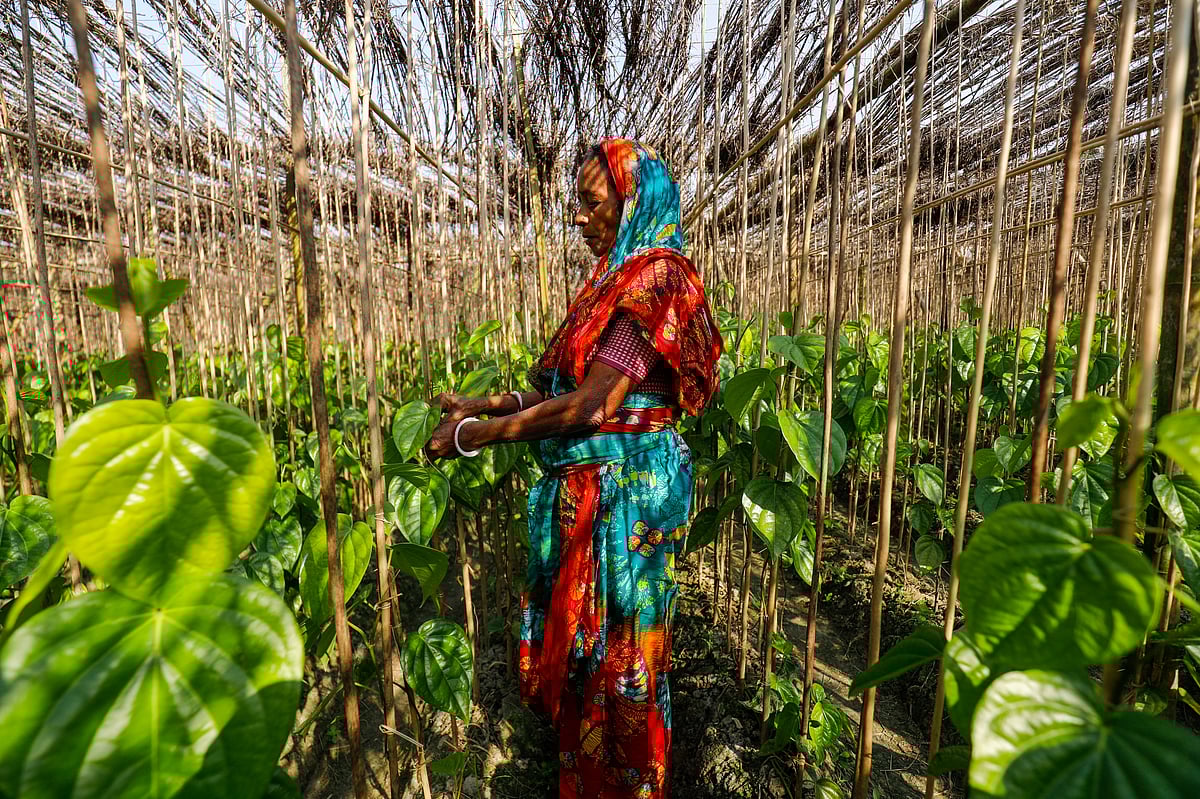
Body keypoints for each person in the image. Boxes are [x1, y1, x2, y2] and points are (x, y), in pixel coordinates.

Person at [426, 138, 722, 798]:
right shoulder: (608, 286)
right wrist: (487, 403)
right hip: (590, 496)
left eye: (592, 205)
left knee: (623, 659)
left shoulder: (657, 281)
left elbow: (593, 406)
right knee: (589, 659)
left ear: (633, 203)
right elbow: (565, 389)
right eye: (577, 206)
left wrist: (477, 434)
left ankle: (629, 785)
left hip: (628, 503)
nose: (579, 220)